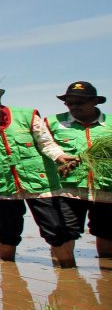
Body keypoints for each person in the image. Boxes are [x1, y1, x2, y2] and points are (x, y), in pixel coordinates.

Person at [0, 81, 80, 267]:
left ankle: (70, 273)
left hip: (39, 184)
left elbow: (46, 143)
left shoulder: (27, 116)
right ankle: (8, 274)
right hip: (2, 186)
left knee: (56, 230)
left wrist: (60, 156)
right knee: (6, 233)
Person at [44, 81, 112, 267]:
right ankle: (66, 279)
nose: (74, 106)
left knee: (107, 233)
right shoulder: (52, 123)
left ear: (95, 102)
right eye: (69, 103)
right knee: (63, 233)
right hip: (67, 189)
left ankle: (105, 277)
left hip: (105, 189)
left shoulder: (110, 124)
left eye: (79, 103)